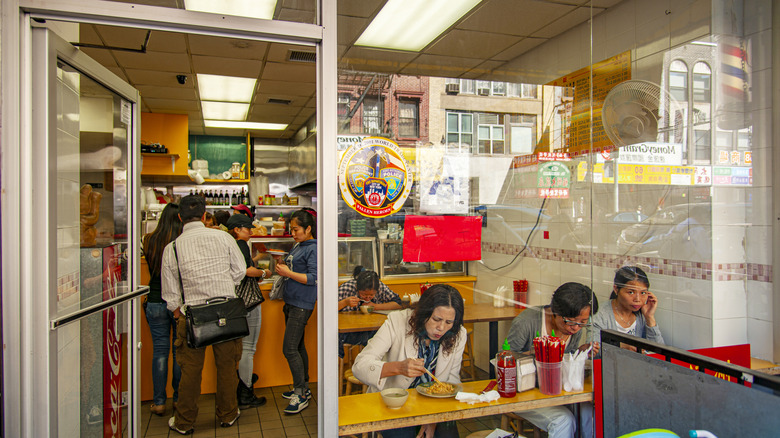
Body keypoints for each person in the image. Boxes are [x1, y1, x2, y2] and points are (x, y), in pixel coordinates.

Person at [161, 195, 246, 435]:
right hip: (226, 312)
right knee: (228, 367)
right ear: (204, 213)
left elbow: (170, 292)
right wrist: (221, 287)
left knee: (190, 371)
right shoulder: (223, 237)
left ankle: (184, 422)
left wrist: (178, 311)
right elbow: (239, 272)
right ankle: (228, 415)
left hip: (191, 315)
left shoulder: (173, 248)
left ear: (180, 217)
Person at [352, 284, 466, 438]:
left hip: (435, 406)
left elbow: (452, 382)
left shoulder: (458, 334)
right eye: (436, 319)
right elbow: (360, 366)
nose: (441, 327)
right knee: (403, 432)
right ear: (423, 313)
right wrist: (398, 368)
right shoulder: (397, 321)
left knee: (447, 433)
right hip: (395, 404)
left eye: (448, 322)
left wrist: (432, 419)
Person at [506, 282, 598, 438]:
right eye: (570, 321)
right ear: (555, 312)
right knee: (564, 420)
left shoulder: (573, 329)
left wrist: (580, 353)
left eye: (582, 323)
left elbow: (565, 359)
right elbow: (503, 358)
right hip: (524, 392)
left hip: (555, 390)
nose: (575, 328)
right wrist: (532, 354)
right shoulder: (526, 322)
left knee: (589, 411)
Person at [226, 214, 272, 408]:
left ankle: (241, 385)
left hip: (234, 301)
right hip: (248, 302)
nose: (250, 231)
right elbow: (245, 271)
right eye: (247, 228)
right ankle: (246, 392)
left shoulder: (229, 244)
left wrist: (257, 260)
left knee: (239, 348)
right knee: (248, 348)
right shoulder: (242, 244)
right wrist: (264, 272)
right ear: (237, 229)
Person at [141, 203, 182, 417]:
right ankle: (177, 399)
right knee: (178, 353)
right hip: (178, 303)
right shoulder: (181, 243)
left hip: (155, 300)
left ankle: (158, 402)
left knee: (159, 352)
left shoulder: (148, 240)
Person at [276, 208, 318, 414]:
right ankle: (303, 387)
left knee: (289, 348)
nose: (292, 233)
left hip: (303, 303)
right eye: (291, 229)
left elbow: (313, 278)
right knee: (299, 346)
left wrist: (288, 272)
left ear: (308, 228)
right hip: (292, 301)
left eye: (296, 229)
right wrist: (284, 267)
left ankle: (300, 393)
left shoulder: (314, 248)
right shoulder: (299, 245)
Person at [591, 266, 664, 354]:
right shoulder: (600, 314)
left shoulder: (642, 314)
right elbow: (592, 352)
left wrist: (650, 318)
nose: (637, 299)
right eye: (631, 292)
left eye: (643, 293)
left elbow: (659, 352)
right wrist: (620, 346)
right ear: (616, 289)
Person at [337, 266, 402, 358]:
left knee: (386, 336)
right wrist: (345, 302)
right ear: (356, 287)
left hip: (371, 328)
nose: (367, 298)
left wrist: (376, 307)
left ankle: (374, 363)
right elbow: (327, 309)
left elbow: (398, 304)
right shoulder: (347, 288)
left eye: (371, 295)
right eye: (363, 294)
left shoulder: (379, 286)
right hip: (349, 332)